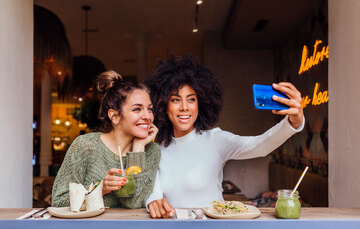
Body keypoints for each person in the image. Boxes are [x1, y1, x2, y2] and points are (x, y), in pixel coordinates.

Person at [143, 54, 304, 218]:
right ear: (163, 105)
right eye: (176, 100)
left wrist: (293, 123)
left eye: (191, 99)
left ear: (201, 104)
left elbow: (259, 145)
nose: (184, 107)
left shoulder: (215, 140)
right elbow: (151, 190)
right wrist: (153, 200)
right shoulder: (157, 149)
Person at [52, 70, 160, 208]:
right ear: (114, 116)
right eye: (137, 109)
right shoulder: (85, 145)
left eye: (150, 109)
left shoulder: (151, 150)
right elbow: (58, 201)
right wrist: (100, 189)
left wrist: (138, 149)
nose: (147, 116)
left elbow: (133, 203)